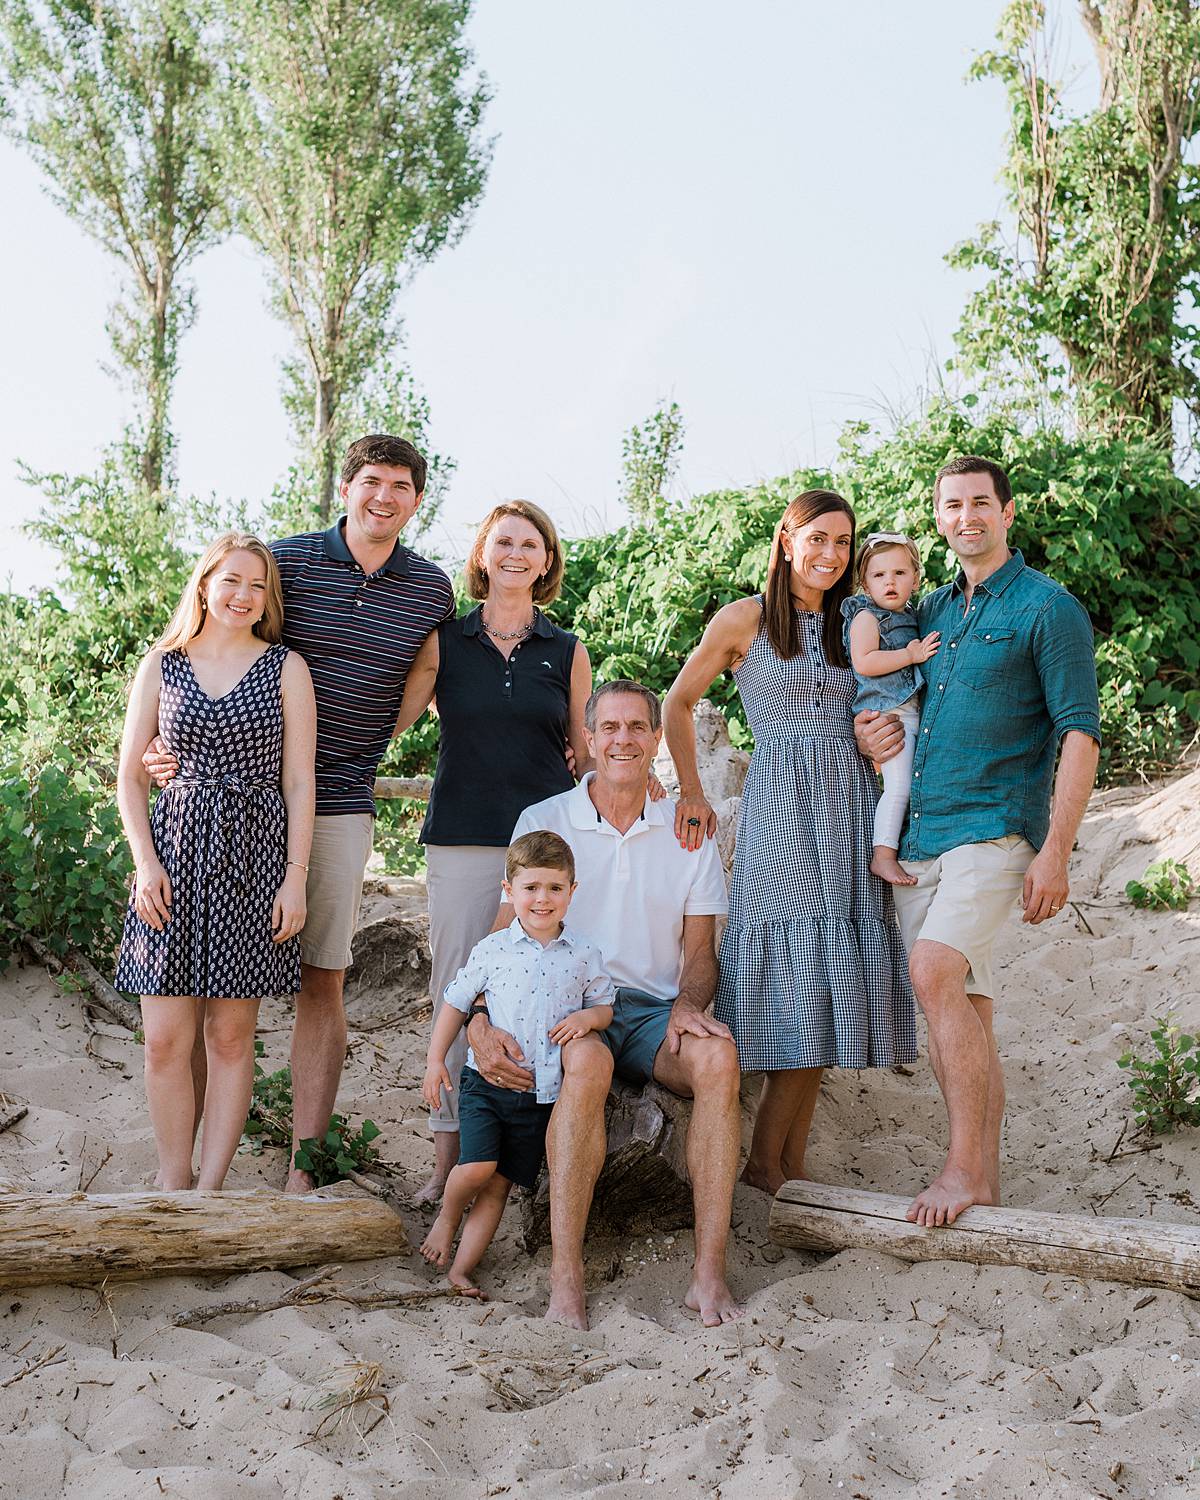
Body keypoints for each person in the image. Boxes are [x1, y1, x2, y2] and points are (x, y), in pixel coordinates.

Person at [144, 435, 453, 1191]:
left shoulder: (430, 588)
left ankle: (302, 1169)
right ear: (345, 489)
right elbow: (217, 639)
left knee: (323, 975)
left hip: (337, 797)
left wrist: (387, 730)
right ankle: (178, 1167)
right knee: (192, 982)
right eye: (371, 482)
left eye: (401, 487)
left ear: (417, 500)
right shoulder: (287, 560)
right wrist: (162, 742)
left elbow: (431, 665)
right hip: (231, 802)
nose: (384, 497)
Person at [856, 456, 1100, 1228]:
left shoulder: (1046, 608)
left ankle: (960, 1170)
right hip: (923, 833)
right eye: (952, 505)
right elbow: (892, 697)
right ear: (938, 518)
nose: (967, 517)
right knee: (966, 1007)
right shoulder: (928, 610)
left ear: (1008, 512)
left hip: (994, 831)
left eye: (980, 504)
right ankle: (985, 1175)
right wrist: (874, 733)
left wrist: (1057, 851)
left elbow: (1080, 736)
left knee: (932, 973)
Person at [466, 681, 744, 1330]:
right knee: (586, 1067)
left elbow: (700, 951)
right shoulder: (544, 820)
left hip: (652, 1009)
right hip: (571, 1007)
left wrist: (689, 1007)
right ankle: (567, 1280)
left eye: (637, 728)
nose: (623, 739)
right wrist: (480, 1017)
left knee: (720, 1061)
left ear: (655, 739)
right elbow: (503, 936)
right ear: (587, 740)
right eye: (609, 728)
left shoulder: (685, 832)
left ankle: (709, 1274)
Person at [663, 491, 917, 1197]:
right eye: (818, 539)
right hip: (781, 810)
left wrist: (884, 736)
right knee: (793, 977)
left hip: (850, 808)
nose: (831, 555)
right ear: (785, 540)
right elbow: (676, 703)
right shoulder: (744, 619)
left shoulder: (860, 620)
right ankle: (763, 1165)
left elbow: (895, 700)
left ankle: (790, 1167)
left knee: (832, 981)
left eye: (844, 542)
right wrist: (691, 789)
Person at [393, 500, 594, 1206]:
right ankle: (449, 1156)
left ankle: (532, 1158)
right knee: (459, 987)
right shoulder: (444, 642)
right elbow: (392, 720)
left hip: (545, 844)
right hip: (462, 837)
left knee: (544, 990)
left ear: (546, 561)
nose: (515, 553)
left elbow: (586, 750)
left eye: (530, 543)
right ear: (483, 554)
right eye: (503, 541)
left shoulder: (568, 650)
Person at [115, 533, 316, 1190]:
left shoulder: (285, 666)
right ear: (204, 584)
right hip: (171, 855)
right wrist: (145, 863)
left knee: (230, 1038)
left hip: (253, 860)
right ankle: (174, 1180)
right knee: (165, 1039)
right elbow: (128, 778)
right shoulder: (162, 664)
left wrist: (294, 879)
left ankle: (210, 1189)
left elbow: (299, 783)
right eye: (231, 580)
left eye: (258, 586)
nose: (243, 595)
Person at [420, 830, 613, 1292]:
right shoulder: (493, 949)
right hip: (486, 1088)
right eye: (530, 888)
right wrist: (434, 1060)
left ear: (572, 891)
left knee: (498, 1188)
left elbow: (605, 1007)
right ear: (509, 890)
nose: (542, 899)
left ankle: (461, 1269)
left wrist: (588, 1018)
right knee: (478, 1168)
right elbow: (455, 1002)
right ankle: (447, 1217)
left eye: (554, 888)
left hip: (541, 1095)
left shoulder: (584, 952)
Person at [841, 532, 940, 886]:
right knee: (898, 786)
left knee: (912, 785)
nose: (890, 582)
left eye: (900, 573)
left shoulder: (912, 615)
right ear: (865, 583)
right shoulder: (867, 617)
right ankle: (882, 855)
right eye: (879, 575)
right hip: (887, 712)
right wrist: (910, 655)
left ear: (915, 578)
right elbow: (864, 661)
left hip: (908, 711)